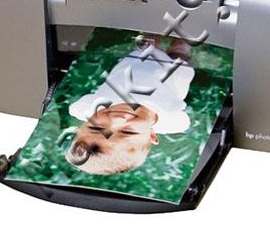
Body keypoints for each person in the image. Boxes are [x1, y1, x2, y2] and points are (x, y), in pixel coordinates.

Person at [64, 36, 194, 175]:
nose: (117, 119)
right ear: (151, 135)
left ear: (83, 125)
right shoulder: (168, 118)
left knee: (148, 42)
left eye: (97, 127)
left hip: (134, 64)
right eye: (128, 132)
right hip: (173, 77)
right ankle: (183, 42)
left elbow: (76, 108)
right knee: (180, 53)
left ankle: (154, 33)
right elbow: (182, 123)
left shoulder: (92, 107)